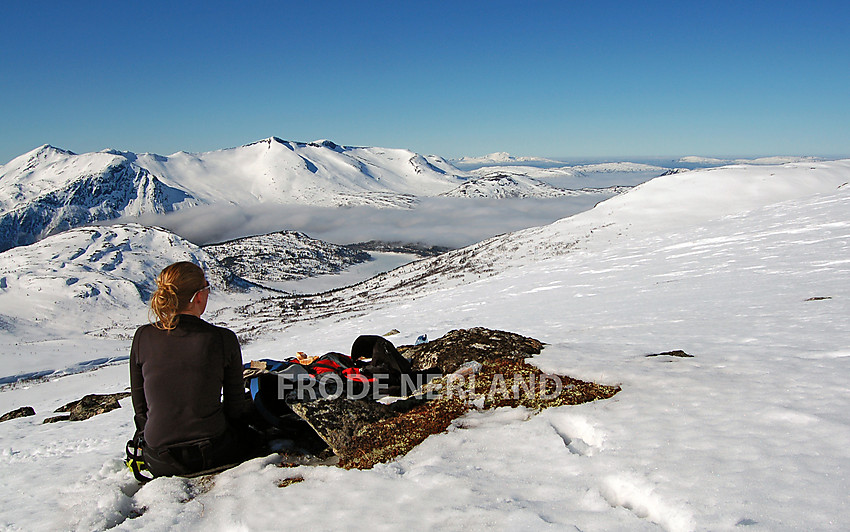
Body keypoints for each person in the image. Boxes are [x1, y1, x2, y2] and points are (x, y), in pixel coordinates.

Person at [129, 261, 260, 477]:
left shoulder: (143, 337)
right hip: (214, 451)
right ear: (198, 296)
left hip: (159, 459)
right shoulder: (222, 338)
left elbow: (140, 407)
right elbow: (234, 409)